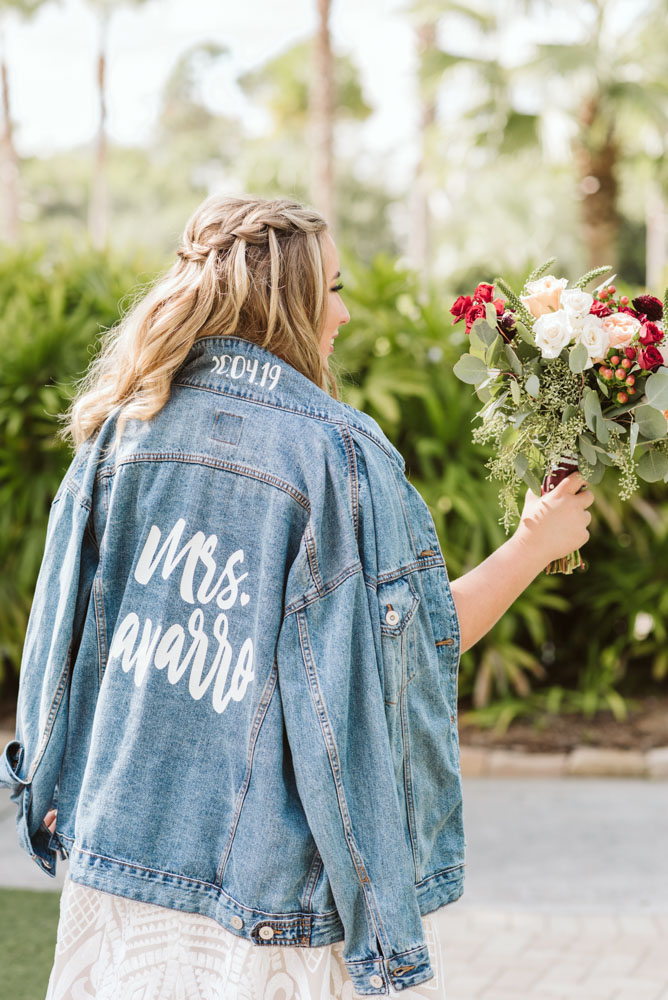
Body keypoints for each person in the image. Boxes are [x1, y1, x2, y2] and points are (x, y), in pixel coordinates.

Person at [0, 193, 594, 1000]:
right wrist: (535, 545)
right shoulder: (337, 458)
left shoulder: (123, 431)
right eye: (336, 288)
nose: (344, 314)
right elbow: (391, 670)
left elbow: (55, 646)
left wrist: (46, 788)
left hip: (115, 871)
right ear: (290, 301)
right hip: (269, 903)